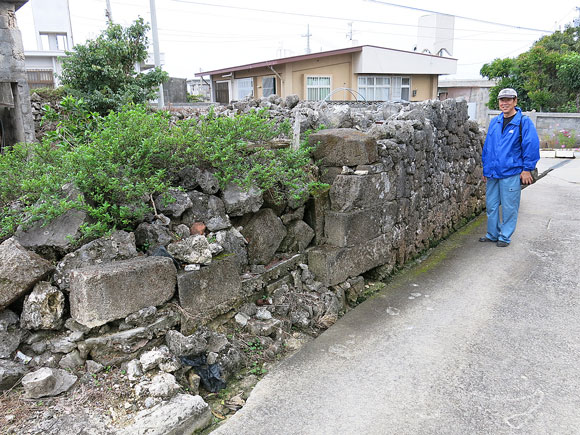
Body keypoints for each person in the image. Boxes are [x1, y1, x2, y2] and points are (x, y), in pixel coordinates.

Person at [480, 88, 540, 247]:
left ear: (515, 101)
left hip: (511, 173)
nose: (504, 103)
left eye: (508, 100)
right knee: (492, 206)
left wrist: (527, 169)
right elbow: (488, 147)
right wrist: (486, 168)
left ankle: (504, 236)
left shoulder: (523, 122)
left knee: (509, 207)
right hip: (493, 173)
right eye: (502, 100)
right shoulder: (495, 122)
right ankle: (492, 234)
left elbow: (531, 146)